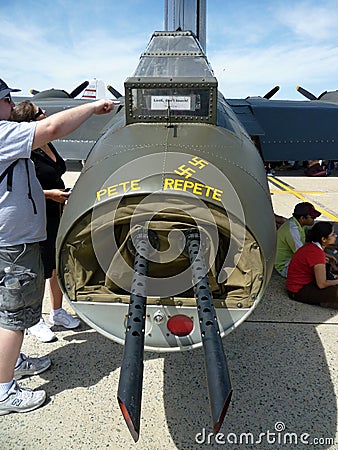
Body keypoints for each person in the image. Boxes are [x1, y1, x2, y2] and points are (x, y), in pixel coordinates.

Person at [0, 78, 114, 415]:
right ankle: (5, 392)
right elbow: (51, 128)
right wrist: (95, 107)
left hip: (11, 240)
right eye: (8, 99)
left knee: (7, 311)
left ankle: (11, 363)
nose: (11, 104)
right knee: (14, 317)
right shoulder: (2, 134)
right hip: (14, 245)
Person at [11, 101, 80, 343]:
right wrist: (50, 194)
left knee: (55, 265)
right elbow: (18, 189)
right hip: (37, 213)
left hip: (56, 211)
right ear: (31, 121)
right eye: (42, 113)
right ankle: (35, 320)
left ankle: (57, 312)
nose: (46, 114)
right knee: (39, 269)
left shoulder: (46, 144)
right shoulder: (22, 150)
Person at [286, 222, 338, 309]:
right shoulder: (317, 253)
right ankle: (325, 301)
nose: (335, 236)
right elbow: (322, 284)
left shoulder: (312, 247)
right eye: (332, 234)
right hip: (298, 291)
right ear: (324, 239)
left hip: (303, 283)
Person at [274, 202, 321, 277]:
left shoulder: (298, 223)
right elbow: (302, 255)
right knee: (319, 271)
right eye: (312, 218)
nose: (314, 220)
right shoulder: (293, 231)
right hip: (285, 266)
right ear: (302, 218)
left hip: (294, 258)